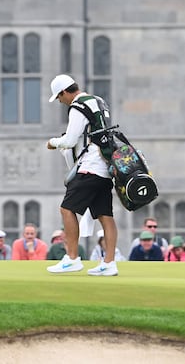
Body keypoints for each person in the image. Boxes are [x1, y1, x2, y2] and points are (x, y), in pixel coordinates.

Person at [44, 74, 121, 277]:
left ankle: (72, 258)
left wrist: (53, 142)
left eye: (59, 97)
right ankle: (109, 263)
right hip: (106, 167)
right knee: (105, 216)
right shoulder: (98, 101)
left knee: (66, 209)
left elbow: (69, 140)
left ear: (64, 92)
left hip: (90, 166)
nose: (60, 101)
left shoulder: (78, 106)